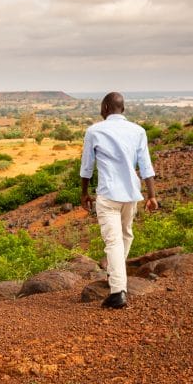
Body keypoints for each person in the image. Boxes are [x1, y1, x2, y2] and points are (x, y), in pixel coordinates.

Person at [79, 91, 158, 309]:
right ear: (122, 109)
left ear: (104, 108)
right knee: (125, 235)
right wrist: (151, 195)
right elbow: (146, 166)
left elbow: (87, 167)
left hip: (108, 194)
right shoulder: (138, 131)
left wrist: (84, 193)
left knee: (113, 241)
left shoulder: (94, 131)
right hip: (131, 194)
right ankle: (116, 275)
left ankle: (117, 291)